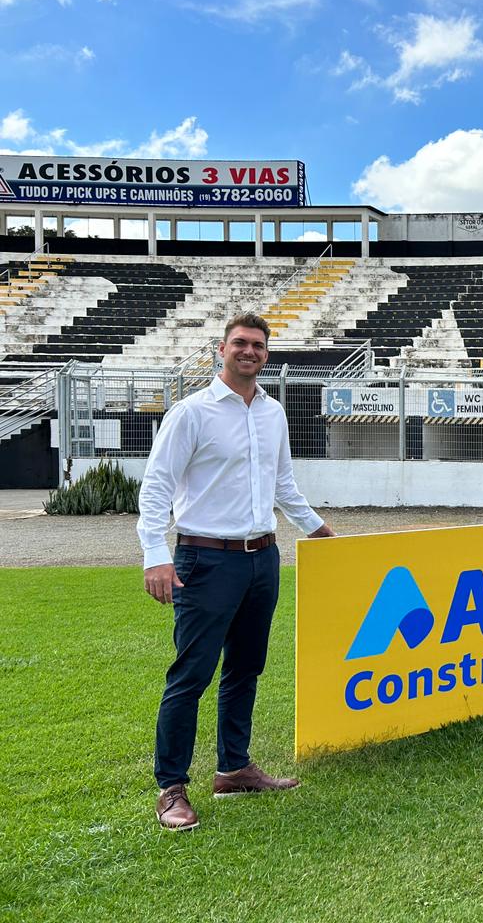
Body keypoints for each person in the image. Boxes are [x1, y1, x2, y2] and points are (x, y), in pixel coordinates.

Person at [138, 312, 335, 831]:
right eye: (240, 343)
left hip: (262, 558)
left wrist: (318, 531)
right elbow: (157, 486)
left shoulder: (272, 413)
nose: (250, 352)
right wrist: (155, 554)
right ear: (220, 350)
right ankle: (171, 786)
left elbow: (284, 485)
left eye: (259, 346)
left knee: (246, 666)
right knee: (192, 673)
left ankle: (233, 768)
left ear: (267, 354)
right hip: (205, 559)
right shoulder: (191, 413)